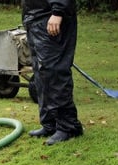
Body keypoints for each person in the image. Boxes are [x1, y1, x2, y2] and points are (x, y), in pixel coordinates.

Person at [23, 0, 84, 145]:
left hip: (51, 16)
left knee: (54, 72)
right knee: (41, 72)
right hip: (35, 17)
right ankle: (50, 123)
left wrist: (58, 11)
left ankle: (68, 126)